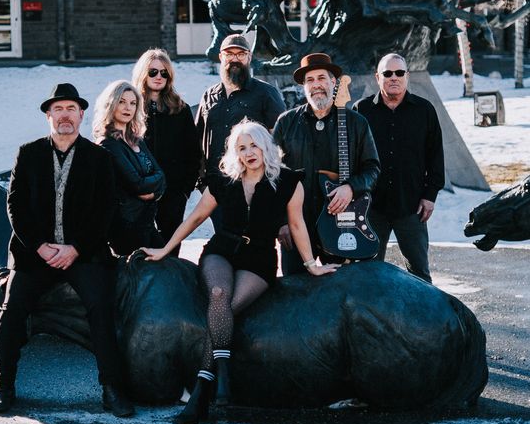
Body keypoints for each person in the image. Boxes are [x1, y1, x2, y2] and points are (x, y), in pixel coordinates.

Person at [141, 120, 339, 424]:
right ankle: (221, 370)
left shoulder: (289, 182)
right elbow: (195, 218)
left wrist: (312, 264)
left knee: (228, 309)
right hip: (221, 252)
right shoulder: (223, 181)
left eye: (254, 145)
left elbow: (297, 225)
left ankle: (201, 390)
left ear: (266, 146)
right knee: (219, 295)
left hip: (259, 259)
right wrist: (166, 249)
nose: (249, 153)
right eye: (242, 147)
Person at [0, 83, 134, 417]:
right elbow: (15, 206)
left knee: (101, 308)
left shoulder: (99, 158)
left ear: (81, 115)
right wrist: (39, 246)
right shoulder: (28, 153)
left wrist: (76, 249)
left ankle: (112, 389)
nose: (64, 115)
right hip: (34, 254)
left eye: (70, 109)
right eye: (58, 109)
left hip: (83, 254)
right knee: (11, 309)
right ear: (48, 116)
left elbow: (105, 209)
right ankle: (3, 385)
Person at [273, 53, 381, 275]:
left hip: (341, 222)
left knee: (343, 288)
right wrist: (281, 221)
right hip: (297, 225)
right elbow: (273, 173)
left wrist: (351, 188)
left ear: (333, 82)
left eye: (321, 78)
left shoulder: (357, 123)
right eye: (310, 80)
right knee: (295, 288)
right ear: (304, 87)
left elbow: (372, 168)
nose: (316, 85)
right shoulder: (286, 123)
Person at [353, 53, 444, 283]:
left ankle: (422, 310)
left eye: (399, 72)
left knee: (420, 275)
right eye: (387, 73)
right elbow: (352, 158)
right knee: (368, 275)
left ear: (407, 76)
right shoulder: (361, 110)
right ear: (378, 77)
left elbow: (435, 157)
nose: (394, 77)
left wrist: (430, 195)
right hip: (371, 208)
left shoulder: (424, 110)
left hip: (412, 207)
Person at [132, 49, 201, 256]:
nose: (159, 77)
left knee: (169, 249)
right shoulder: (130, 107)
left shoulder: (180, 109)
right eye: (153, 72)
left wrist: (185, 190)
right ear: (143, 73)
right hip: (138, 192)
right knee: (137, 247)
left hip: (173, 192)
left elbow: (193, 152)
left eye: (164, 73)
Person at [195, 34, 286, 189]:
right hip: (214, 184)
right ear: (221, 57)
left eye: (241, 54)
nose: (235, 59)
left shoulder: (266, 93)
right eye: (229, 54)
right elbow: (197, 139)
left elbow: (280, 140)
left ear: (249, 57)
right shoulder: (208, 95)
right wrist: (201, 179)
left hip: (251, 184)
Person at [93, 80, 166, 255]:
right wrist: (154, 185)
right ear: (111, 104)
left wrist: (154, 193)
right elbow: (137, 185)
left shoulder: (137, 140)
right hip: (126, 225)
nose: (128, 108)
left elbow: (162, 176)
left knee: (165, 261)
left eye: (133, 103)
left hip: (146, 222)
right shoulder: (108, 144)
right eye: (122, 102)